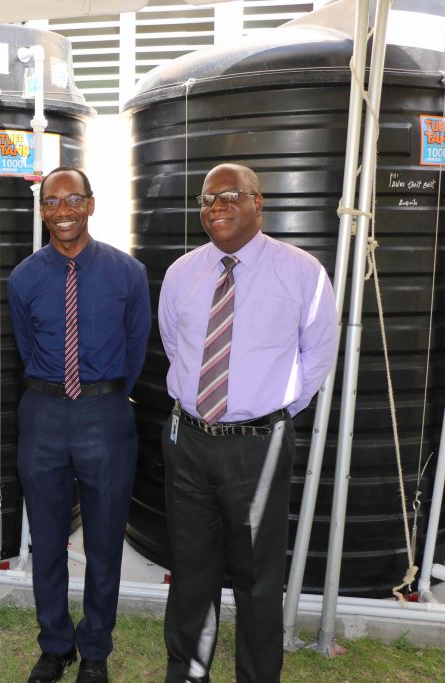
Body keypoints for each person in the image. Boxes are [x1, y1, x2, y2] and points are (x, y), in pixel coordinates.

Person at [159, 163, 338, 683]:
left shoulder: (303, 273)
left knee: (258, 579)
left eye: (230, 195)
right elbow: (176, 347)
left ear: (260, 202)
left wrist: (266, 413)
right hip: (188, 441)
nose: (216, 206)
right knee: (191, 572)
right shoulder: (181, 273)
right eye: (208, 198)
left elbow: (317, 358)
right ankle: (188, 673)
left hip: (258, 447)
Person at [8, 167, 151, 683]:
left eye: (73, 200)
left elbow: (137, 348)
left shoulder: (127, 273)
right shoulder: (23, 277)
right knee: (46, 538)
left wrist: (103, 392)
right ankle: (54, 645)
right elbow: (26, 347)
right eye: (52, 202)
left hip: (106, 413)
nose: (63, 210)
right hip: (42, 412)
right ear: (42, 209)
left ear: (91, 204)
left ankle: (94, 650)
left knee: (105, 538)